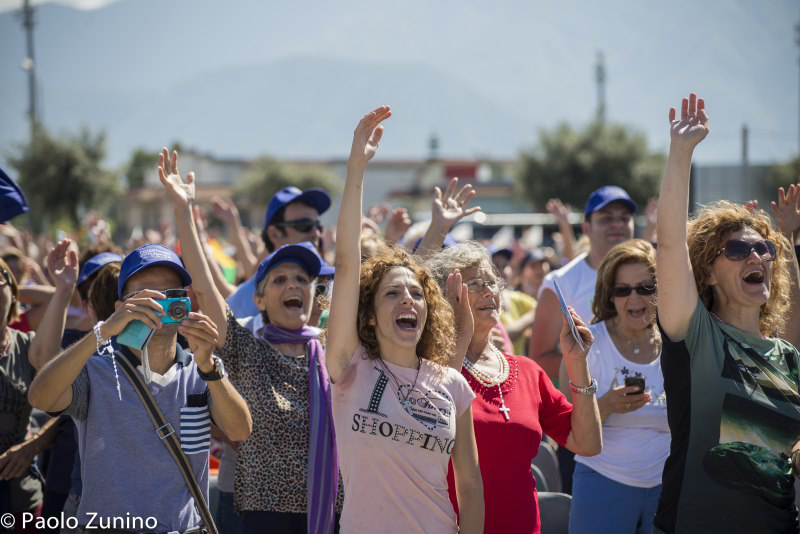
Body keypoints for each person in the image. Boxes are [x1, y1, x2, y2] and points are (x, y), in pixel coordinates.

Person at [157, 148, 342, 534]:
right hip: (263, 516)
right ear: (258, 299)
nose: (293, 284)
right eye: (279, 279)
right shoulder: (246, 347)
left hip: (330, 511)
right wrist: (183, 210)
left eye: (302, 280)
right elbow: (206, 292)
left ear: (314, 296)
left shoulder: (332, 350)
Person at [326, 106, 484, 534]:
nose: (407, 301)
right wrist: (356, 167)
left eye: (416, 294)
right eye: (392, 293)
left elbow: (469, 487)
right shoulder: (349, 367)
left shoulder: (451, 384)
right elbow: (345, 264)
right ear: (370, 316)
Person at [28, 243, 252, 533]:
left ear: (186, 302)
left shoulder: (202, 370)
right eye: (149, 297)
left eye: (172, 295)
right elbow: (39, 396)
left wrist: (210, 366)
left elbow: (240, 431)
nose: (161, 306)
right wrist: (104, 331)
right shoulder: (96, 370)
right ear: (121, 308)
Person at [654, 92, 800, 533]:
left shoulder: (789, 358)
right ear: (709, 273)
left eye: (764, 249)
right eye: (737, 249)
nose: (755, 256)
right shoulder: (698, 335)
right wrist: (681, 153)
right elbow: (668, 246)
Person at [423, 241, 601, 534]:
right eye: (475, 284)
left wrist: (577, 362)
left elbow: (588, 444)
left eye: (492, 282)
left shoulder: (527, 370)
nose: (489, 291)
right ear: (446, 297)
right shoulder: (430, 367)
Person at [558, 239, 667, 534]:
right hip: (602, 482)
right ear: (610, 295)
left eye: (645, 288)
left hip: (666, 488)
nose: (635, 298)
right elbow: (563, 428)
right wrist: (605, 405)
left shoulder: (678, 344)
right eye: (623, 290)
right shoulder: (584, 344)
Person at [0, 241, 82, 531]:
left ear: (13, 295)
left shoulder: (26, 347)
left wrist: (32, 446)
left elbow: (64, 406)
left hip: (21, 496)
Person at [530, 185, 636, 381]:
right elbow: (540, 359)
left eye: (624, 218)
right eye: (606, 218)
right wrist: (598, 374)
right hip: (591, 405)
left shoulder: (653, 276)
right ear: (586, 228)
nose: (618, 224)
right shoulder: (559, 283)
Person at [226, 185, 331, 319]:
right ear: (275, 234)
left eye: (318, 226)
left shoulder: (328, 281)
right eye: (304, 225)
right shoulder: (242, 302)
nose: (315, 233)